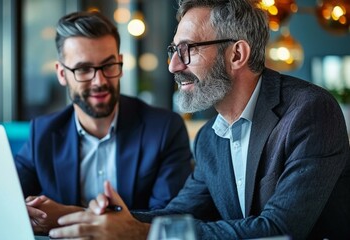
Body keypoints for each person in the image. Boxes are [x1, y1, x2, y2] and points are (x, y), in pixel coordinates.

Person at [46, 0, 350, 239]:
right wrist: (89, 218)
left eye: (187, 49)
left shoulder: (309, 112)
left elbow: (279, 229)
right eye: (173, 50)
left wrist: (142, 234)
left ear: (236, 55)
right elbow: (179, 214)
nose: (173, 65)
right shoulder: (208, 138)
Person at [14, 11, 193, 234]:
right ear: (61, 74)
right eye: (84, 69)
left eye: (108, 66)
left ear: (120, 63)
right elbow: (7, 199)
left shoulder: (164, 128)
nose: (99, 81)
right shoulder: (43, 132)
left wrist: (65, 215)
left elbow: (169, 218)